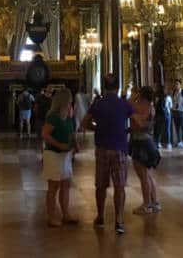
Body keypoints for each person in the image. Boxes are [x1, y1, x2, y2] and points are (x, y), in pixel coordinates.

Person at [82, 73, 136, 234]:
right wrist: (127, 130)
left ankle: (100, 217)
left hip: (102, 149)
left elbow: (84, 122)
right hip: (119, 148)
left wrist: (96, 128)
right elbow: (137, 123)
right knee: (119, 186)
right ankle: (119, 220)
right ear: (118, 87)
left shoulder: (98, 104)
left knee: (100, 185)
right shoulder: (123, 104)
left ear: (105, 87)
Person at [42, 88, 80, 227]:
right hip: (53, 155)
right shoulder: (53, 117)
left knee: (66, 184)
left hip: (66, 156)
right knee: (53, 186)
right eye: (70, 98)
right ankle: (51, 217)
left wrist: (75, 145)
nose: (72, 101)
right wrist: (59, 145)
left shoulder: (69, 117)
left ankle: (66, 214)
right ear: (64, 100)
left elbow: (71, 133)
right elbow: (45, 135)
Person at [130, 86, 161, 214]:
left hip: (140, 142)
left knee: (143, 176)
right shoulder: (151, 107)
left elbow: (128, 103)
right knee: (148, 175)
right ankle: (154, 202)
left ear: (142, 96)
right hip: (148, 141)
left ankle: (146, 204)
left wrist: (135, 96)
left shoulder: (140, 107)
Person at [154, 86, 172, 150]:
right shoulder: (168, 97)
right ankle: (168, 143)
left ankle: (158, 143)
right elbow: (170, 106)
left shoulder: (157, 97)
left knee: (160, 129)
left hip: (159, 115)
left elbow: (155, 105)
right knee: (167, 129)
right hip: (167, 114)